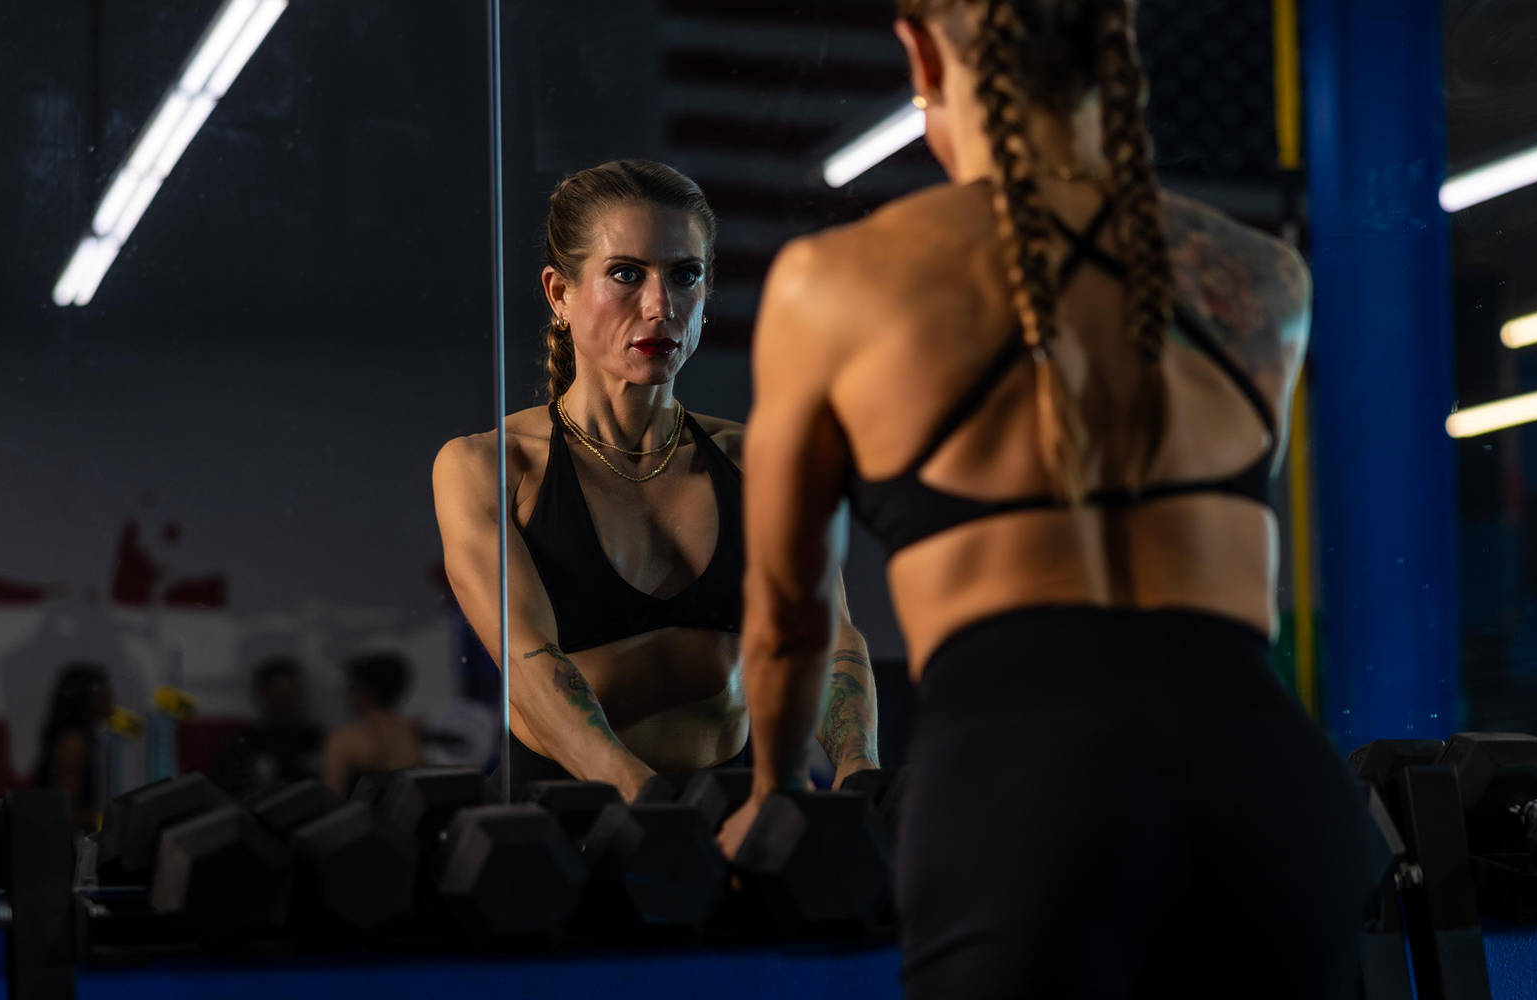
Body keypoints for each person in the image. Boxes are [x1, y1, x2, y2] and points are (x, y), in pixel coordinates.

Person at [723, 2, 1364, 997]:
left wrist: (771, 791)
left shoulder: (832, 283)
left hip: (1022, 795)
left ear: (920, 51)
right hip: (1270, 788)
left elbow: (786, 618)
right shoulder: (1262, 281)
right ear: (1113, 52)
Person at [431, 160, 880, 803]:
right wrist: (639, 796)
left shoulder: (761, 463)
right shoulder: (489, 467)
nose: (659, 305)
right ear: (559, 294)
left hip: (732, 797)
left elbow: (831, 636)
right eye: (625, 274)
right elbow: (529, 667)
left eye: (684, 274)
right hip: (571, 810)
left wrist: (858, 766)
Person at [213, 658, 323, 796]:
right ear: (262, 694)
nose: (287, 700)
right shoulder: (242, 744)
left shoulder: (320, 740)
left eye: (292, 692)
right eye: (280, 694)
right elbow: (228, 796)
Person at [320, 652, 424, 796]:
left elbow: (331, 798)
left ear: (363, 691)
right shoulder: (414, 733)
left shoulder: (344, 739)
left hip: (357, 817)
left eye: (352, 687)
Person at [31, 663, 113, 831]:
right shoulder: (73, 744)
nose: (110, 698)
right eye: (102, 691)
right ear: (84, 697)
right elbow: (65, 811)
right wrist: (109, 820)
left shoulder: (87, 739)